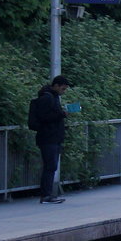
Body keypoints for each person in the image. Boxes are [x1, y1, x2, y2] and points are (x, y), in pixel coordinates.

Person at [32, 74, 72, 203]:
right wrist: (61, 114)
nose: (63, 92)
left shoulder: (53, 98)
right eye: (63, 89)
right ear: (56, 86)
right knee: (50, 166)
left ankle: (48, 194)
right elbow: (44, 117)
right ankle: (46, 195)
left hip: (53, 137)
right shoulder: (47, 98)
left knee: (52, 166)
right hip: (48, 137)